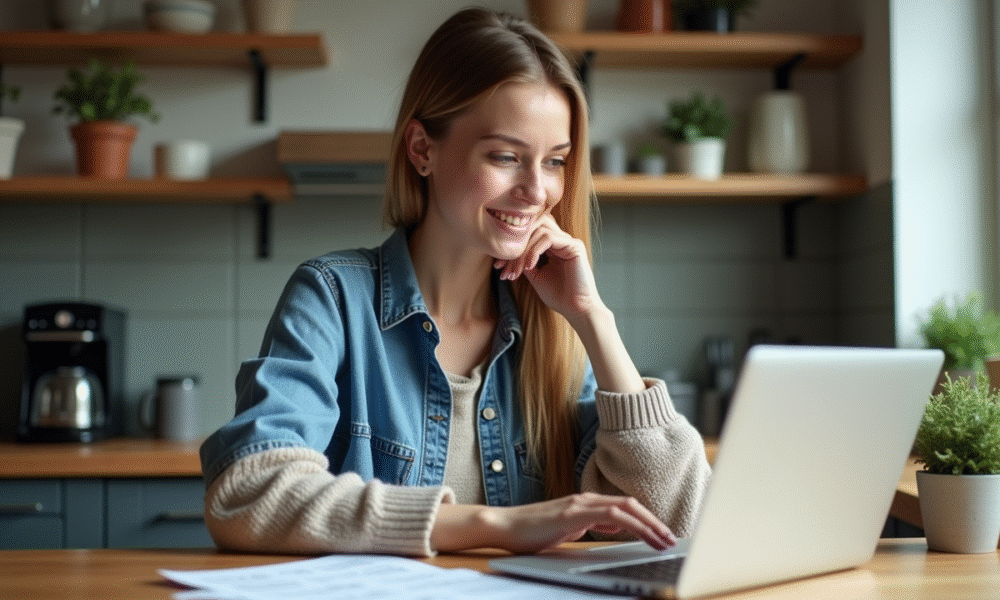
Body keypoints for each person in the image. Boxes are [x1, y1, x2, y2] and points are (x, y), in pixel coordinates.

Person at [199, 6, 711, 557]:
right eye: (506, 156)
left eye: (556, 161)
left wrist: (593, 319)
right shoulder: (332, 298)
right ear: (422, 150)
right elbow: (246, 492)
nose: (537, 191)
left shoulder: (556, 331)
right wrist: (492, 526)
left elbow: (678, 518)